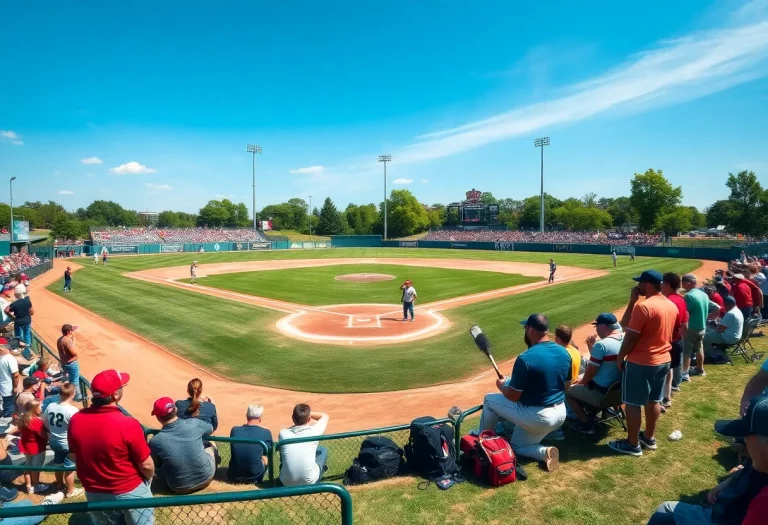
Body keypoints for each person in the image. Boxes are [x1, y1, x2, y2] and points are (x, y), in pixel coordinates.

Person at [646, 394, 768, 525]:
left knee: (663, 513)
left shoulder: (763, 504)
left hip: (722, 519)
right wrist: (728, 481)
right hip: (726, 512)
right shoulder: (760, 465)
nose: (745, 440)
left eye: (747, 435)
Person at [478, 314, 570, 471]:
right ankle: (544, 452)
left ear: (530, 330)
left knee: (489, 400)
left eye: (525, 328)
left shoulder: (525, 358)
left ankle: (485, 442)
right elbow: (566, 385)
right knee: (516, 445)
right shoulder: (563, 352)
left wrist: (502, 386)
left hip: (538, 417)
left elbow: (513, 396)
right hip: (560, 414)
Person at [68, 369, 155, 525]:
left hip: (94, 492)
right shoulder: (128, 424)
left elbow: (73, 456)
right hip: (130, 490)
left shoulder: (76, 420)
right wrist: (147, 480)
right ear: (115, 395)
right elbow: (147, 465)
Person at [610, 270, 678, 456]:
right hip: (664, 359)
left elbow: (629, 334)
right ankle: (648, 437)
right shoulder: (671, 305)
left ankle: (632, 444)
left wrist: (620, 356)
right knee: (653, 400)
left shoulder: (644, 307)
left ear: (647, 285)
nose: (638, 286)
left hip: (642, 361)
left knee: (632, 402)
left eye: (640, 283)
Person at [566, 313, 624, 435]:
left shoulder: (602, 345)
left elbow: (591, 372)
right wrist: (591, 347)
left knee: (567, 391)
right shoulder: (625, 338)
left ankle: (586, 424)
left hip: (600, 395)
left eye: (596, 326)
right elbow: (603, 363)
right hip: (620, 392)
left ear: (603, 326)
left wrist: (580, 383)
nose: (596, 329)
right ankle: (613, 412)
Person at [148, 397, 217, 494]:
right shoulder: (194, 424)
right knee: (211, 446)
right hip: (206, 479)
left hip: (178, 487)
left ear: (158, 417)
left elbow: (156, 464)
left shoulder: (155, 441)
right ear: (176, 409)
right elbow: (210, 428)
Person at [43, 382, 83, 499]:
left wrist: (52, 430)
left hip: (53, 440)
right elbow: (77, 429)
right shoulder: (73, 410)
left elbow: (44, 421)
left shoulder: (51, 406)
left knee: (58, 464)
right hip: (67, 443)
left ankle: (59, 486)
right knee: (70, 467)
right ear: (73, 393)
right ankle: (71, 490)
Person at [278, 404, 330, 486]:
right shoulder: (314, 432)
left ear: (293, 418)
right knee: (322, 450)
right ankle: (321, 470)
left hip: (285, 482)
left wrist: (299, 415)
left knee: (284, 451)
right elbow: (325, 416)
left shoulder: (283, 433)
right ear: (309, 419)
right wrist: (307, 414)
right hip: (309, 482)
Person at [227, 404, 274, 484]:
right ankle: (265, 481)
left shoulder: (235, 430)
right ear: (260, 418)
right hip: (254, 477)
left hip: (234, 475)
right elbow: (268, 452)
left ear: (247, 416)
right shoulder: (266, 432)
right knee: (265, 457)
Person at [661, 273, 688, 406]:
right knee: (670, 368)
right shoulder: (681, 299)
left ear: (666, 284)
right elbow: (684, 323)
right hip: (677, 339)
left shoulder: (669, 301)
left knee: (663, 370)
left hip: (668, 340)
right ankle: (667, 397)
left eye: (662, 283)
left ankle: (661, 398)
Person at [19, 399, 49, 494]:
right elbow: (43, 436)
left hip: (26, 446)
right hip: (37, 448)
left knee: (28, 466)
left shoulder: (23, 419)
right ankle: (36, 485)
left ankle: (28, 485)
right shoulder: (36, 421)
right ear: (34, 408)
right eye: (40, 407)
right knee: (36, 467)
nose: (41, 408)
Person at [681, 274, 708, 381]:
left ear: (688, 283)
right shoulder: (703, 294)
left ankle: (685, 373)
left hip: (691, 327)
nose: (682, 284)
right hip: (702, 326)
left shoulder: (689, 296)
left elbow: (686, 312)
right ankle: (700, 369)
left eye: (683, 281)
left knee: (686, 350)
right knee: (699, 348)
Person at [703, 295, 743, 360]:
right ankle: (711, 352)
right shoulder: (737, 310)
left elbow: (720, 330)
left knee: (702, 337)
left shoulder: (730, 314)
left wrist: (713, 328)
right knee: (708, 331)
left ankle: (715, 356)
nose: (724, 306)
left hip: (728, 337)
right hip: (735, 336)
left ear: (727, 304)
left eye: (724, 304)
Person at [56, 324, 81, 401]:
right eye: (71, 330)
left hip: (64, 363)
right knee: (74, 380)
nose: (72, 331)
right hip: (71, 364)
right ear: (68, 331)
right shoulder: (67, 340)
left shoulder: (60, 339)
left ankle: (67, 392)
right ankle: (76, 396)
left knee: (67, 378)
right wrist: (74, 342)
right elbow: (74, 353)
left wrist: (72, 341)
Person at [0, 343, 20, 418]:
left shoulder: (8, 358)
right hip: (7, 389)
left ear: (7, 349)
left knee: (8, 410)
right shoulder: (6, 358)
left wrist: (15, 387)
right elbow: (15, 374)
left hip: (7, 389)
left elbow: (16, 375)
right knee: (8, 409)